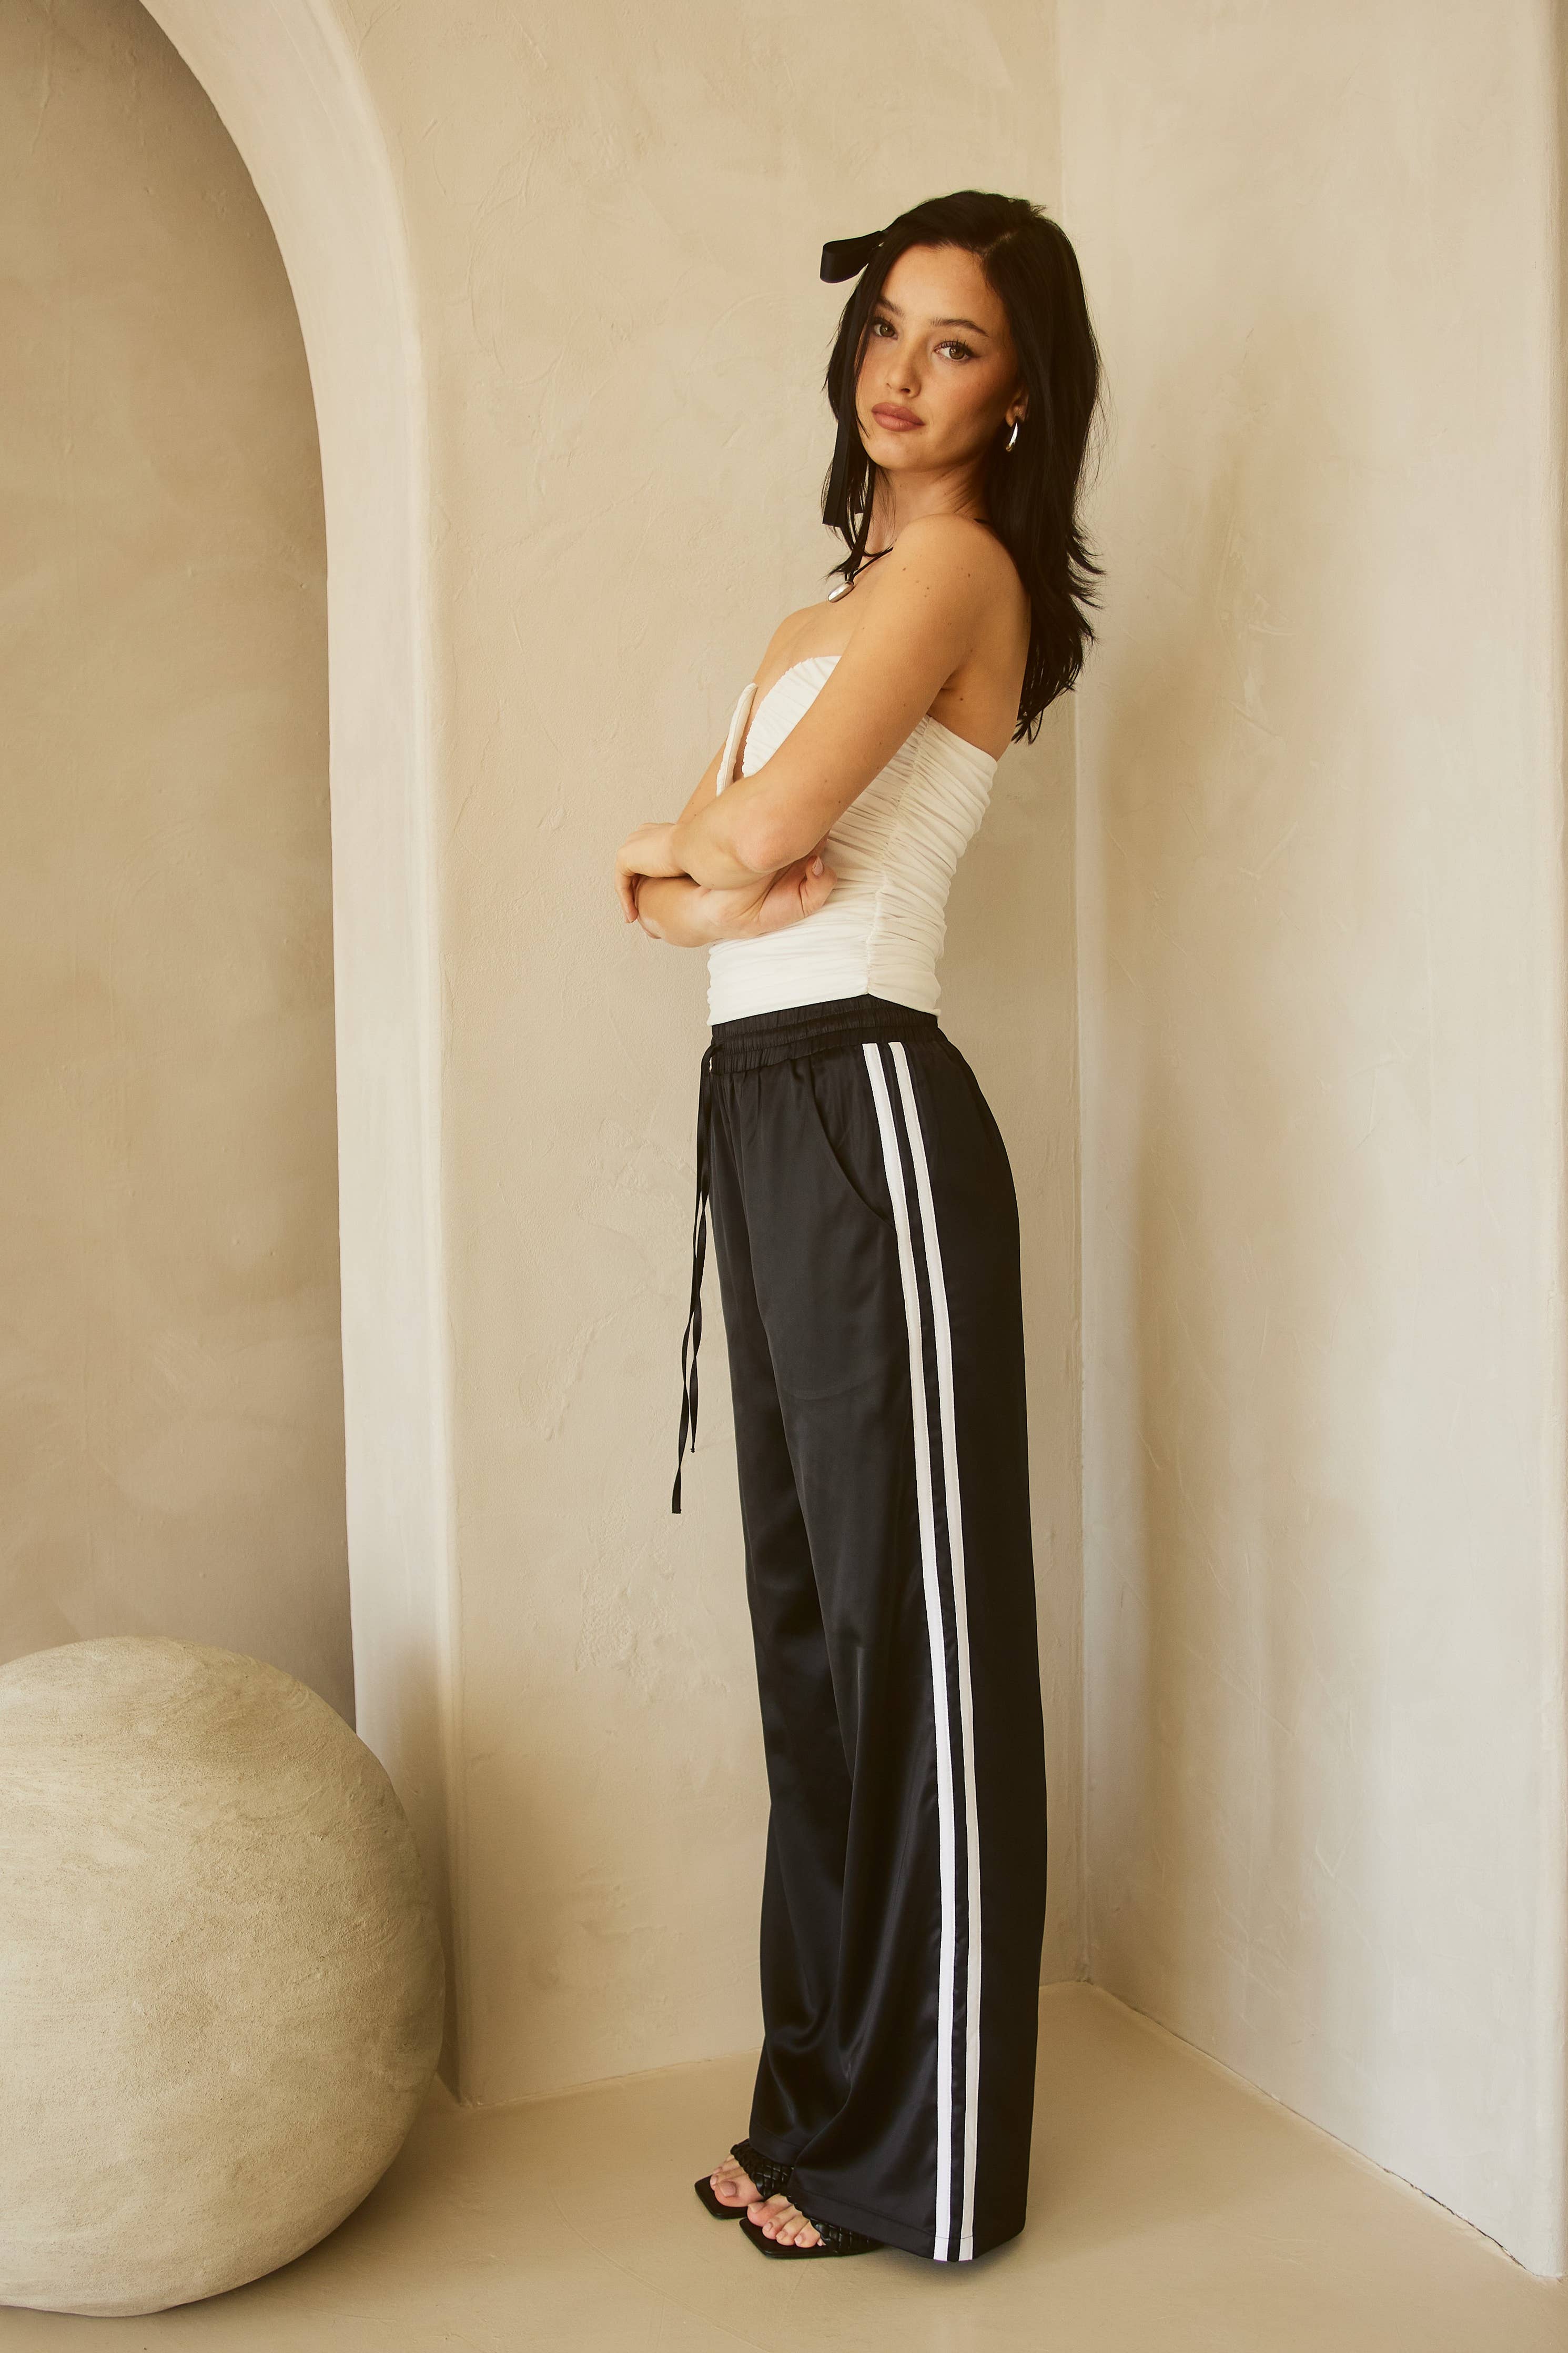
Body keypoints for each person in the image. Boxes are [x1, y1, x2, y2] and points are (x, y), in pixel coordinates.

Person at [613, 189, 1102, 2265]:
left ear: (1019, 395)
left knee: (919, 1650)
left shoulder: (962, 574)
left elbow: (744, 840)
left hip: (872, 1106)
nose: (899, 373)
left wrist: (681, 854)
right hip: (760, 1107)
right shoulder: (812, 620)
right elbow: (689, 897)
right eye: (886, 329)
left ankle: (927, 2156)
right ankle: (818, 2110)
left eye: (953, 343)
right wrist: (684, 868)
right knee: (812, 1647)